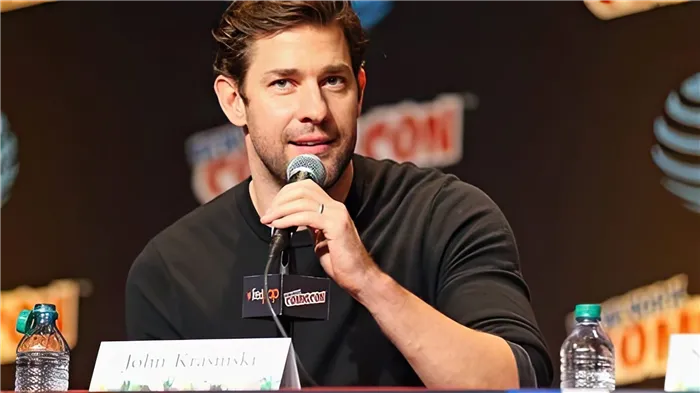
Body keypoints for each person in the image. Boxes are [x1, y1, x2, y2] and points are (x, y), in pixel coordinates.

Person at [125, 0, 554, 389]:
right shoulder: (171, 267)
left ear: (360, 89)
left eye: (333, 80)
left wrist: (369, 282)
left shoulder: (446, 216)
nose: (315, 109)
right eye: (283, 84)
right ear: (235, 100)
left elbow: (516, 382)